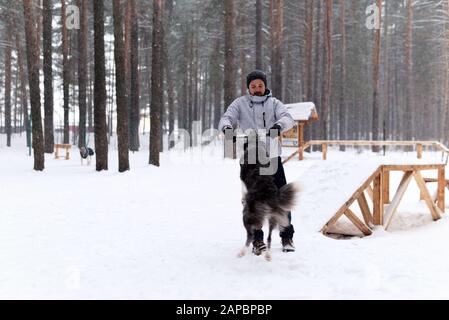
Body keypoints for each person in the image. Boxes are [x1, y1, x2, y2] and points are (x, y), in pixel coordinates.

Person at [218, 70, 296, 254]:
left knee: (280, 196)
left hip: (272, 157)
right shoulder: (240, 103)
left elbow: (287, 118)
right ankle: (256, 239)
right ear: (248, 88)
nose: (257, 89)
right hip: (250, 159)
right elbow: (226, 118)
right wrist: (228, 129)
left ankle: (287, 237)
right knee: (252, 199)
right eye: (253, 86)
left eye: (260, 85)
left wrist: (278, 126)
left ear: (265, 86)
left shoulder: (275, 103)